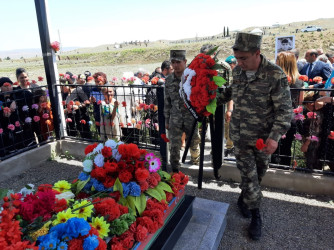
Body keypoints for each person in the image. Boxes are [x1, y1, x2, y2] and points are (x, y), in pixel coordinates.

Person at [219, 32, 292, 240]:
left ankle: (244, 199)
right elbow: (229, 93)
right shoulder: (239, 73)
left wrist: (275, 137)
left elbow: (285, 110)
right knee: (249, 177)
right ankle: (256, 217)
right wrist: (210, 94)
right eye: (237, 58)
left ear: (257, 53)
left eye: (244, 58)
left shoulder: (275, 75)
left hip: (262, 139)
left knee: (257, 176)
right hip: (240, 137)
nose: (239, 63)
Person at [164, 50, 200, 172]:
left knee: (194, 142)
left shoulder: (193, 77)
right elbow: (167, 101)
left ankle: (196, 161)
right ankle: (175, 172)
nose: (175, 65)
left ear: (185, 61)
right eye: (173, 62)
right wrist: (167, 119)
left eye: (178, 62)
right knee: (174, 146)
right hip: (175, 117)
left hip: (191, 116)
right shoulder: (168, 80)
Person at [271, 51, 304, 166]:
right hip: (291, 119)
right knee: (286, 147)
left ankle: (272, 171)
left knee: (272, 145)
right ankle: (284, 169)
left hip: (274, 117)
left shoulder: (275, 80)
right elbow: (300, 102)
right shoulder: (299, 82)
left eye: (277, 60)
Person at [224, 55, 237, 157]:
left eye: (231, 65)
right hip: (227, 103)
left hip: (234, 105)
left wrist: (230, 109)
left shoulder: (237, 74)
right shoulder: (226, 75)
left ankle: (230, 147)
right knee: (227, 126)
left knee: (231, 125)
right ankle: (228, 145)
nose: (229, 67)